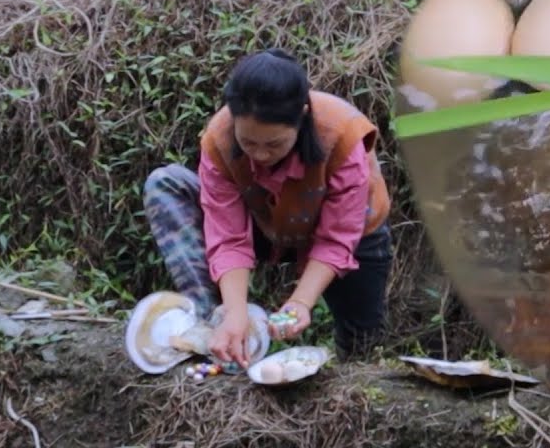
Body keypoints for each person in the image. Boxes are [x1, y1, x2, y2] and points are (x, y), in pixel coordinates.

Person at [142, 48, 394, 368]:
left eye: (274, 144)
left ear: (302, 117)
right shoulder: (218, 139)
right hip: (263, 221)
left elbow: (336, 237)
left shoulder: (342, 136)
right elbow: (228, 236)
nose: (260, 155)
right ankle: (220, 329)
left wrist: (301, 302)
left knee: (362, 344)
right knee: (166, 182)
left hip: (351, 232)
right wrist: (236, 313)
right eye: (248, 143)